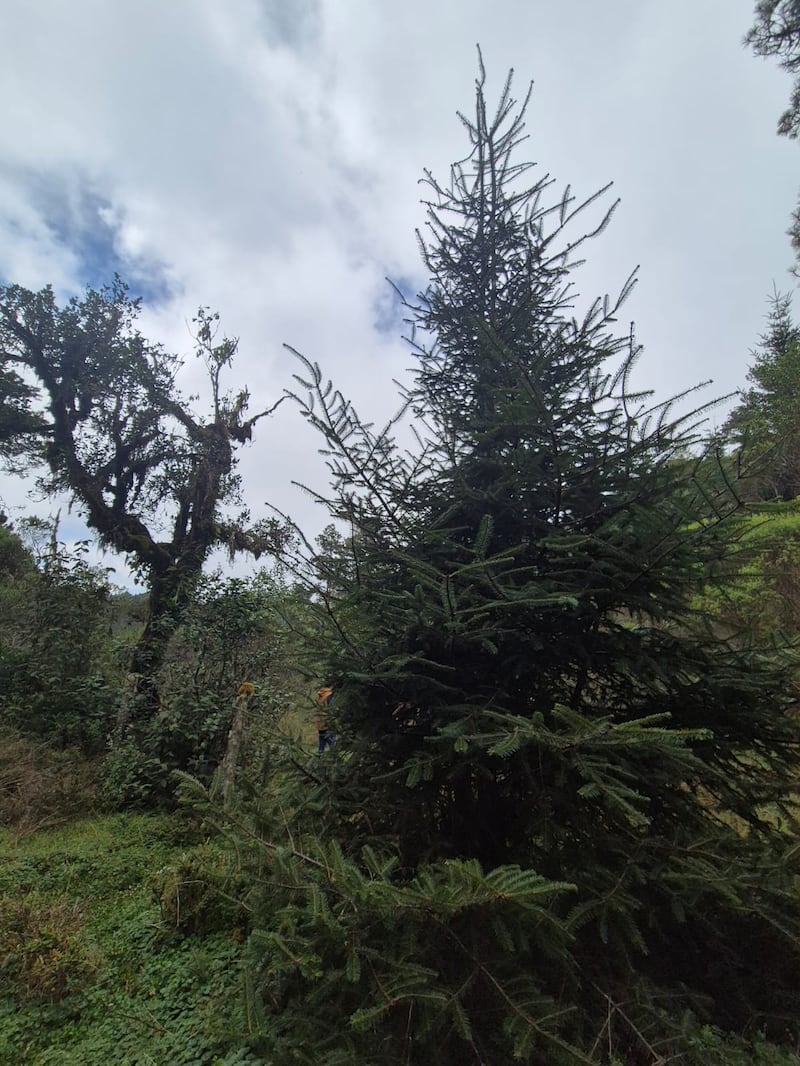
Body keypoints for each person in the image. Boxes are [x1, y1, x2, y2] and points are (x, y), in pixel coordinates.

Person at [314, 685, 336, 752]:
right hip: (328, 722)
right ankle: (334, 755)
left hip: (319, 722)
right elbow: (332, 709)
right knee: (331, 740)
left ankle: (320, 754)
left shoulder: (320, 695)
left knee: (322, 740)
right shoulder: (329, 695)